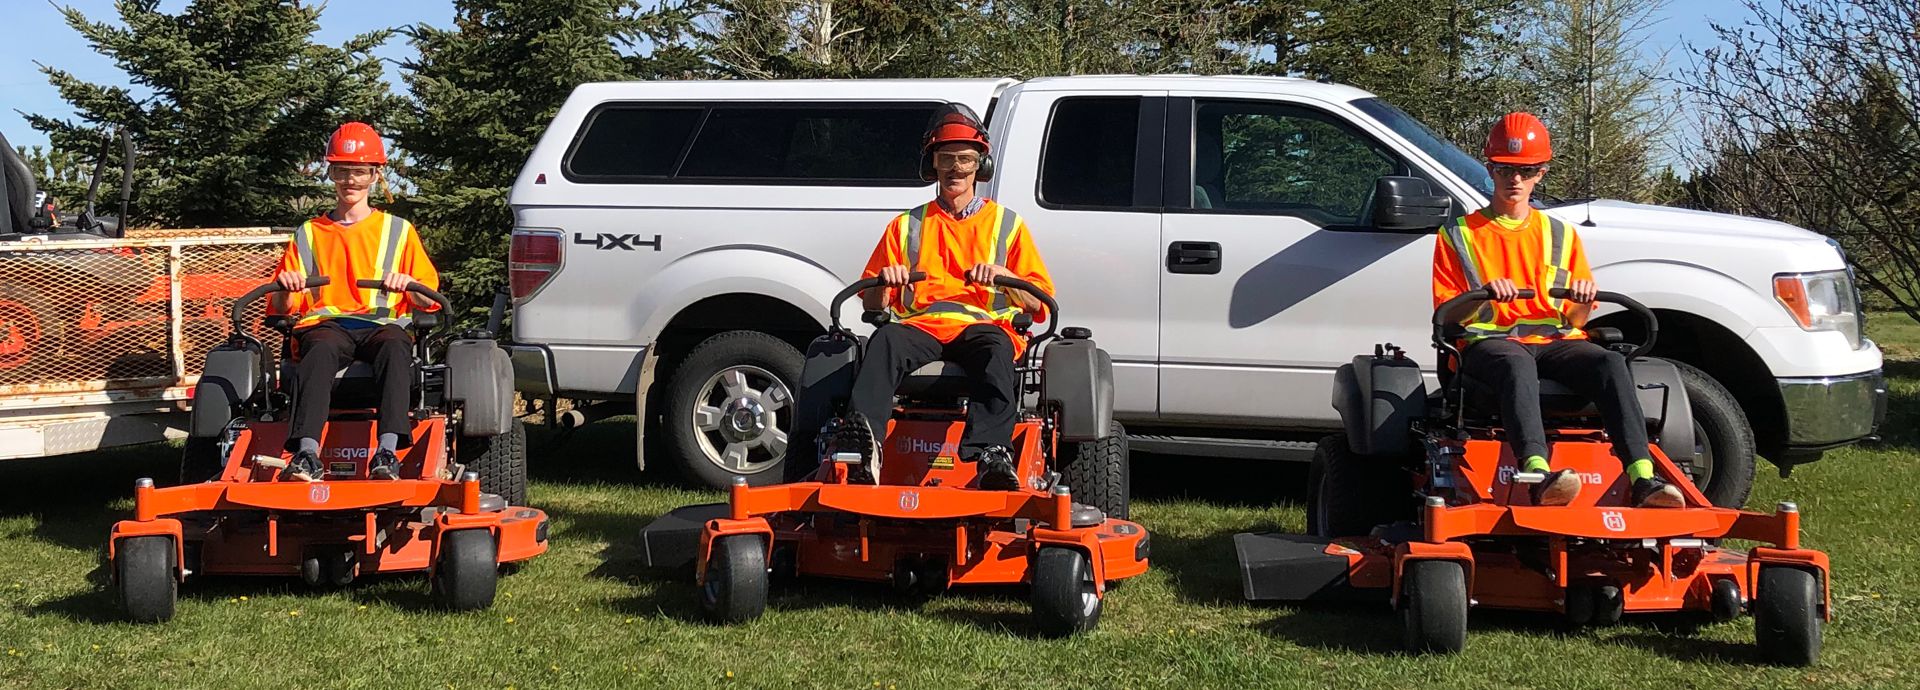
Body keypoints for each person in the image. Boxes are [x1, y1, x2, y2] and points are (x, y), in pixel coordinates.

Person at [1432, 112, 1684, 508]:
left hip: (1555, 340)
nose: (1514, 180)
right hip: (1489, 345)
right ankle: (1539, 471)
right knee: (1516, 365)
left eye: (1525, 170)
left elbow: (1574, 322)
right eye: (1504, 170)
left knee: (1610, 364)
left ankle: (1643, 478)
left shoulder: (1561, 234)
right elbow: (1447, 319)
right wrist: (1482, 295)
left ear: (1540, 174)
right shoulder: (1459, 234)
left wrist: (1582, 304)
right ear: (1490, 169)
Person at [827, 104, 1055, 489]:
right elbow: (871, 304)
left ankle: (991, 455)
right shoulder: (905, 226)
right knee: (884, 340)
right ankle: (865, 446)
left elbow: (1039, 304)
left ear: (980, 167)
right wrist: (887, 282)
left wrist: (1006, 278)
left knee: (997, 351)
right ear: (932, 165)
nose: (955, 169)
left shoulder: (1008, 225)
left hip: (983, 326)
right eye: (946, 159)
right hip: (920, 326)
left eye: (965, 159)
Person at [271, 122, 440, 482]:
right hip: (328, 326)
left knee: (397, 347)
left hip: (382, 326)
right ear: (331, 174)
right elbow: (283, 310)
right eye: (342, 171)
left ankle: (387, 452)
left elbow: (429, 300)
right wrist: (287, 286)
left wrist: (409, 285)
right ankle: (306, 455)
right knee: (317, 349)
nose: (351, 181)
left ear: (375, 175)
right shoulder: (309, 233)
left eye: (360, 172)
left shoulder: (399, 230)